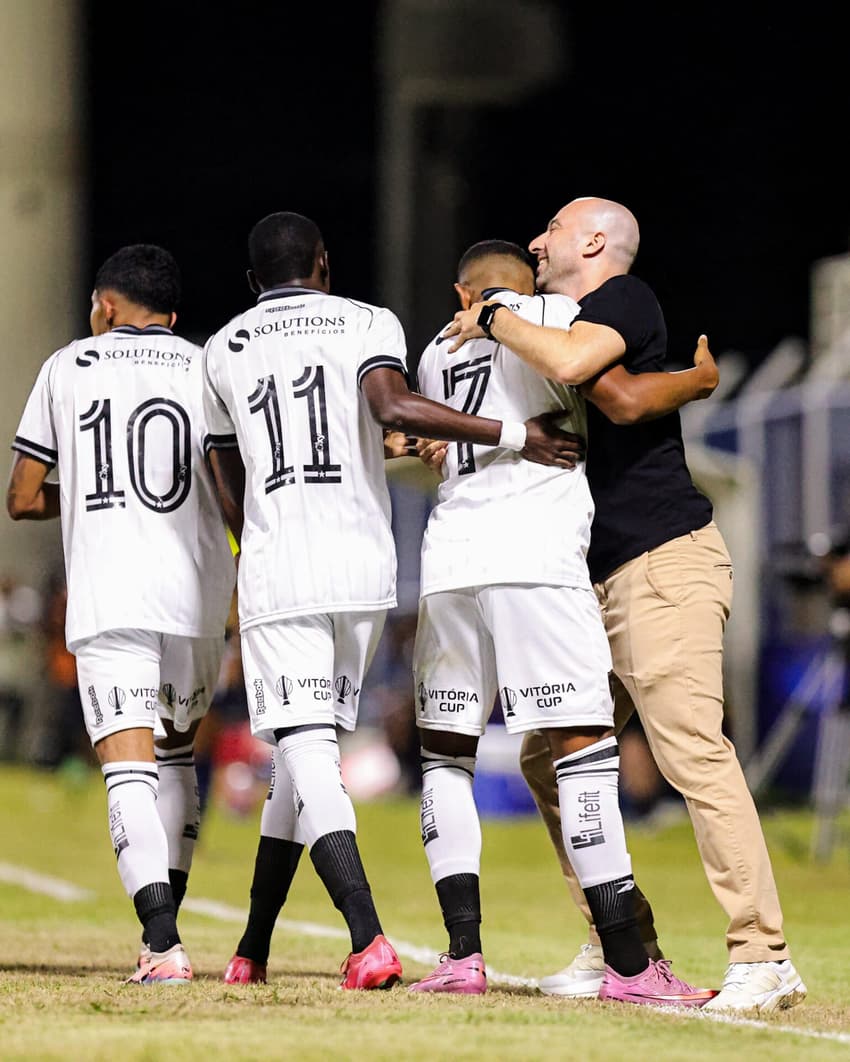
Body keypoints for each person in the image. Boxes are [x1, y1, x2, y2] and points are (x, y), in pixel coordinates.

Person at [441, 197, 807, 1014]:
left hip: (660, 563)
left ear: (597, 242)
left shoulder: (618, 301)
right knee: (546, 758)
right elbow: (598, 398)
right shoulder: (555, 323)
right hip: (591, 577)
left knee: (690, 752)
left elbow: (603, 388)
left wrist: (494, 314)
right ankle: (624, 946)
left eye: (554, 229)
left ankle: (764, 953)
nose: (535, 241)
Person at [201, 212, 584, 990]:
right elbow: (390, 409)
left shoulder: (224, 347)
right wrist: (507, 432)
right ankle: (253, 945)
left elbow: (222, 466)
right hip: (365, 567)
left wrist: (251, 543)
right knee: (301, 755)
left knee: (304, 747)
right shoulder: (369, 320)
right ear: (323, 262)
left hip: (285, 568)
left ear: (251, 281)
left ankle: (368, 936)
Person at [403, 238, 717, 1006]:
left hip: (448, 567)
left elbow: (427, 446)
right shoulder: (558, 317)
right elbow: (610, 392)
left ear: (459, 289)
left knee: (446, 758)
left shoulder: (433, 350)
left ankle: (460, 956)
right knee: (584, 752)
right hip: (535, 561)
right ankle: (632, 969)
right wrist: (696, 379)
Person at [7, 245, 236, 983]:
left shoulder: (68, 367)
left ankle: (163, 943)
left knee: (127, 764)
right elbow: (234, 482)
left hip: (113, 590)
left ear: (106, 306)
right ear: (171, 315)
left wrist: (80, 498)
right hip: (199, 588)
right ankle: (167, 926)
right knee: (176, 755)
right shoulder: (207, 365)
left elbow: (21, 493)